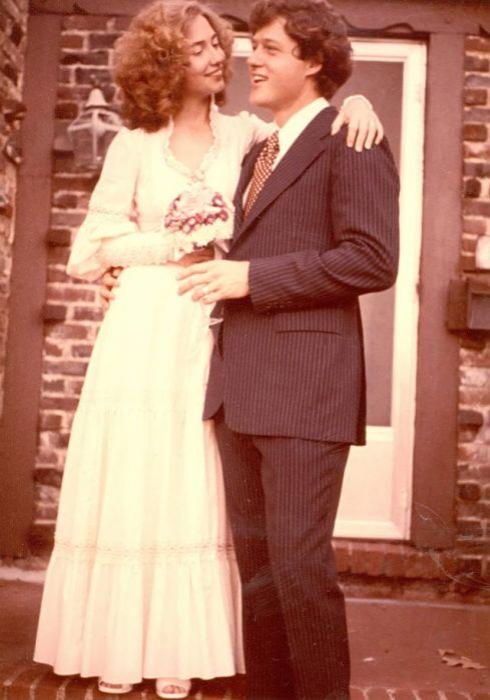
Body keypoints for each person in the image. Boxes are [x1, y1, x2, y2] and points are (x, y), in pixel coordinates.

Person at [34, 1, 384, 698]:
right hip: (147, 328)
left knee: (198, 485)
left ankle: (186, 648)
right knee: (141, 477)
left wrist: (361, 99)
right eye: (198, 48)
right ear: (165, 61)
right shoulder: (135, 144)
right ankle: (123, 644)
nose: (220, 57)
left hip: (220, 330)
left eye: (219, 44)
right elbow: (89, 248)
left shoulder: (248, 135)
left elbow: (311, 127)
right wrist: (174, 245)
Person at [177, 0, 400, 698]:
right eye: (255, 47)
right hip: (240, 391)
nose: (253, 60)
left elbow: (372, 260)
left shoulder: (350, 137)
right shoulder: (258, 150)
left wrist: (253, 278)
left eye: (271, 48)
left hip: (307, 390)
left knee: (300, 570)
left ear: (314, 61)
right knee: (260, 574)